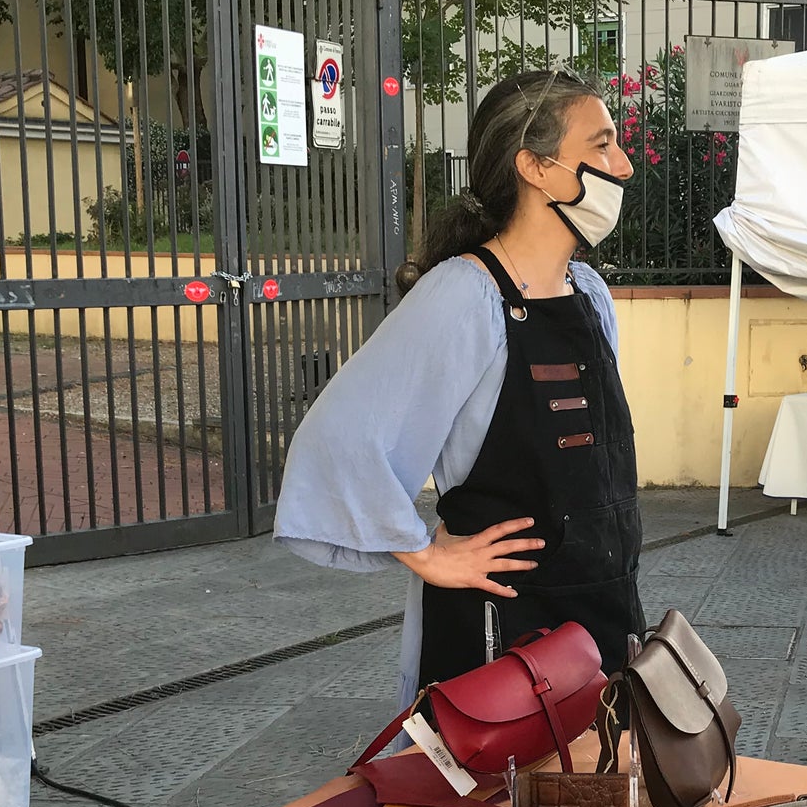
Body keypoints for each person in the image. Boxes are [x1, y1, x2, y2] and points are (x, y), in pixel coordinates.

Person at [275, 69, 643, 711]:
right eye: (602, 144)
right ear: (537, 166)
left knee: (593, 801)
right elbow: (339, 438)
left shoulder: (588, 294)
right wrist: (424, 553)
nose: (625, 165)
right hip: (504, 640)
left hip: (603, 614)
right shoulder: (465, 295)